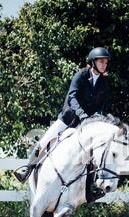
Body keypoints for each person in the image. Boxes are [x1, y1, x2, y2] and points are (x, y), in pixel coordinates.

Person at [13, 47, 112, 186]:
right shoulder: (81, 75)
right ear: (93, 62)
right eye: (101, 61)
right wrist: (82, 114)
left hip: (87, 123)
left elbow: (102, 104)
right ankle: (27, 168)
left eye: (106, 62)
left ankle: (92, 186)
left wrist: (98, 117)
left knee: (95, 151)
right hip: (69, 118)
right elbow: (72, 97)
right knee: (45, 140)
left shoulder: (104, 82)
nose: (104, 65)